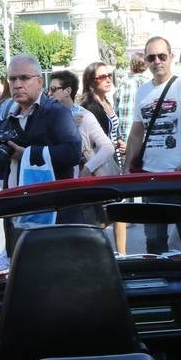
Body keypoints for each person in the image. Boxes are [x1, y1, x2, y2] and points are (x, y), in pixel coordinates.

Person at [124, 36, 181, 253]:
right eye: (151, 57)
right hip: (150, 177)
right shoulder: (142, 91)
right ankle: (159, 280)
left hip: (180, 177)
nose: (157, 61)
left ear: (171, 57)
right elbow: (135, 134)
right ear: (146, 60)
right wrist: (127, 167)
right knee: (153, 239)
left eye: (162, 56)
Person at [0, 54, 81, 255]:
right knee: (22, 274)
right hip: (17, 212)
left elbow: (73, 152)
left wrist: (27, 154)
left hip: (53, 213)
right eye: (12, 79)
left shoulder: (56, 112)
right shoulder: (9, 117)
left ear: (40, 81)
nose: (17, 84)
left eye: (24, 78)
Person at [81, 61, 129, 252]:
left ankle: (121, 254)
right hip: (101, 165)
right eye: (102, 77)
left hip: (114, 161)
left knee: (117, 212)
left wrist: (119, 142)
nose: (108, 80)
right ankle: (89, 247)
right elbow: (93, 139)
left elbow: (110, 132)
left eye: (109, 75)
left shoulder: (107, 101)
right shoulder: (90, 106)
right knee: (112, 213)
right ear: (91, 81)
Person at [47, 70, 116, 178]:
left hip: (77, 182)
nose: (49, 93)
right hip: (53, 178)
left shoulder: (84, 116)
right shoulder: (48, 115)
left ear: (67, 91)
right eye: (49, 90)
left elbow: (108, 147)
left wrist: (88, 167)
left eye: (53, 89)